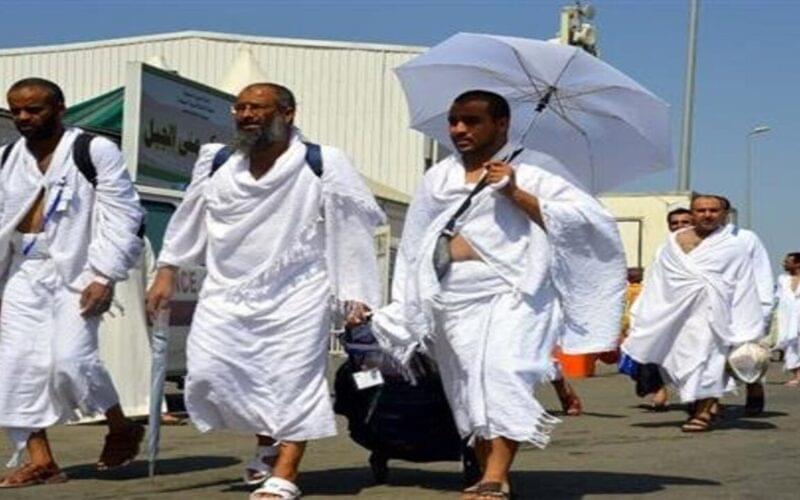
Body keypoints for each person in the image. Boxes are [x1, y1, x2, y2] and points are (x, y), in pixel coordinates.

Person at [371, 90, 626, 499]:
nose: (459, 129)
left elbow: (589, 222)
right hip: (451, 295)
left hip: (514, 293)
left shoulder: (537, 167)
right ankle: (484, 467)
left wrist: (514, 191)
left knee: (502, 372)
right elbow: (417, 240)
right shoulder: (439, 176)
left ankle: (497, 474)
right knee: (467, 385)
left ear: (501, 124)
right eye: (454, 121)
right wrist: (406, 299)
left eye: (472, 121)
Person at [145, 83, 384, 500]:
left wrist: (356, 294)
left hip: (298, 290)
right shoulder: (216, 160)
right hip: (225, 289)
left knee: (291, 378)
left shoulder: (322, 161)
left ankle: (286, 472)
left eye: (257, 108)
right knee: (212, 372)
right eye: (240, 108)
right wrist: (167, 270)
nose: (246, 115)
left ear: (287, 113)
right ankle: (267, 444)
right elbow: (190, 216)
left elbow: (351, 228)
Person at [0, 78, 145, 487]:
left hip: (79, 270)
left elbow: (123, 214)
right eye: (16, 110)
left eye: (34, 110)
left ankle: (120, 427)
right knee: (15, 366)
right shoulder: (6, 157)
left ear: (60, 108)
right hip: (22, 271)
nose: (24, 117)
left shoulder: (93, 149)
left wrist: (104, 274)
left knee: (71, 360)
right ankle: (41, 460)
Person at [622, 194, 764, 432]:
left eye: (713, 210)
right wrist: (642, 314)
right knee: (680, 362)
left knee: (710, 361)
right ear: (692, 213)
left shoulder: (735, 245)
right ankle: (698, 403)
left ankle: (703, 413)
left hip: (714, 315)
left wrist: (747, 323)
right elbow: (658, 281)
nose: (707, 215)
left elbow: (743, 286)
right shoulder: (671, 243)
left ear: (724, 214)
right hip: (677, 315)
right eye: (701, 210)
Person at [775, 252, 800, 385]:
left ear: (797, 264)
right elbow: (779, 298)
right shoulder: (782, 279)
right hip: (788, 318)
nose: (783, 264)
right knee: (791, 346)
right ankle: (797, 376)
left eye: (787, 262)